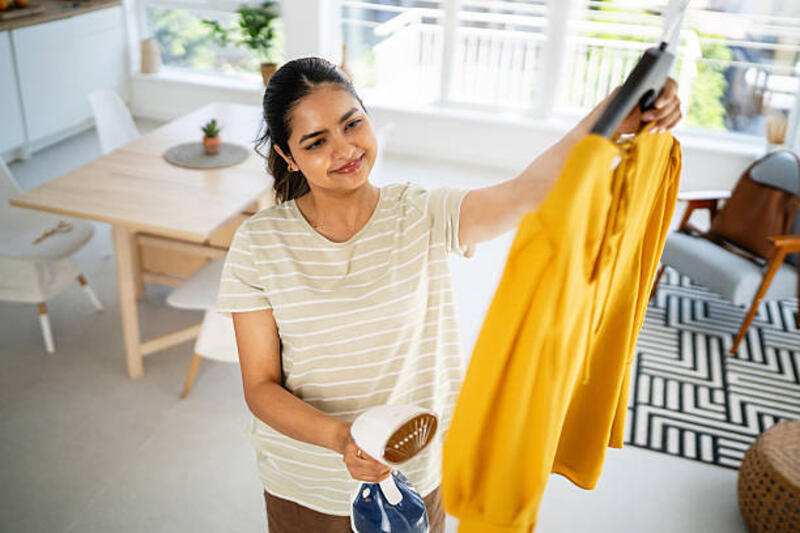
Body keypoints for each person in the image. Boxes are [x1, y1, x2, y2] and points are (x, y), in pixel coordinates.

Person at [215, 56, 683, 532]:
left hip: (414, 468)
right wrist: (342, 439)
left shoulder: (421, 212)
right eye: (316, 141)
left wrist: (611, 116)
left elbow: (526, 192)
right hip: (307, 482)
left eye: (352, 123)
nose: (344, 148)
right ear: (288, 156)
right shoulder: (260, 242)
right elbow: (260, 387)